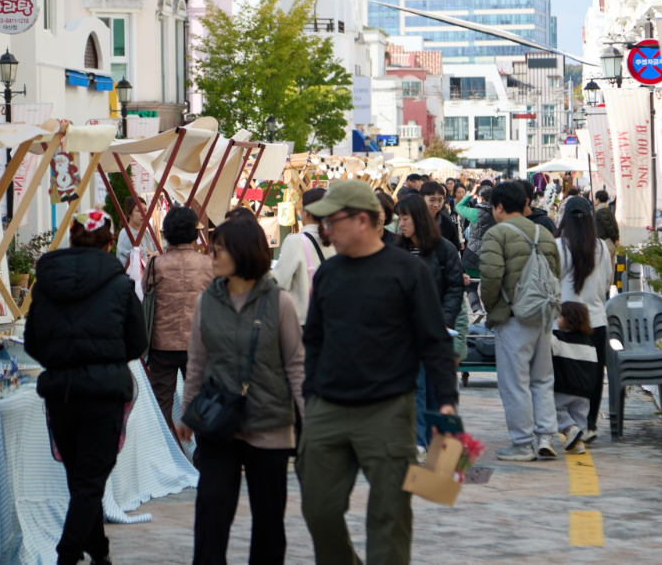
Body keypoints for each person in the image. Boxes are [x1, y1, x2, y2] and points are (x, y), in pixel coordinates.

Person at [298, 180, 457, 565]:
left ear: (363, 220)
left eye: (332, 222)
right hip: (328, 408)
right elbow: (314, 338)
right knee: (319, 509)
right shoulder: (328, 272)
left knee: (390, 515)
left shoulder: (407, 270)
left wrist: (447, 405)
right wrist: (311, 393)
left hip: (388, 411)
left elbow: (435, 342)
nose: (326, 231)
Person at [25, 210, 147, 565]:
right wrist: (107, 358)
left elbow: (32, 341)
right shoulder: (121, 285)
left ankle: (99, 552)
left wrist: (62, 359)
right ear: (109, 244)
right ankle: (67, 555)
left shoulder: (45, 284)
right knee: (90, 481)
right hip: (103, 394)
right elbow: (138, 342)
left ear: (73, 239)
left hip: (60, 392)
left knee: (81, 479)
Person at [180, 218, 304, 564]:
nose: (213, 255)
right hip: (218, 423)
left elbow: (296, 367)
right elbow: (196, 363)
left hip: (270, 426)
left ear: (243, 252)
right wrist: (188, 411)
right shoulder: (207, 301)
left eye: (220, 249)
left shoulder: (279, 302)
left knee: (269, 522)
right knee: (211, 512)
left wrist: (310, 421)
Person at [479, 182, 561, 462]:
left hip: (513, 317)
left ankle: (523, 444)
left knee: (514, 383)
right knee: (543, 380)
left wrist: (492, 308)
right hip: (543, 317)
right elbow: (556, 274)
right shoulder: (544, 233)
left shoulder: (496, 234)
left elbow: (491, 277)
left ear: (500, 206)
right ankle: (546, 437)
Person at [394, 195, 464, 454]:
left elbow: (454, 288)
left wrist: (445, 321)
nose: (401, 223)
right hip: (406, 331)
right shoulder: (396, 250)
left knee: (437, 389)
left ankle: (438, 443)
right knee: (416, 386)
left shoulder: (444, 249)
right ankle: (419, 441)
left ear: (419, 219)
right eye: (399, 218)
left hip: (436, 330)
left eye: (405, 218)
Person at [143, 205, 213, 431]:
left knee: (161, 401)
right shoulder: (207, 264)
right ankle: (202, 448)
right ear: (194, 233)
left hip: (162, 344)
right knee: (200, 401)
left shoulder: (156, 264)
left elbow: (146, 291)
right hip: (198, 344)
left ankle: (166, 448)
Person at [555, 196, 613, 443]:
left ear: (565, 219)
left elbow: (551, 282)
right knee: (593, 375)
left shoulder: (558, 246)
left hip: (564, 323)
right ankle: (589, 425)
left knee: (564, 376)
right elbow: (607, 283)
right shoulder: (601, 248)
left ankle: (569, 424)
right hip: (596, 321)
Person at [273, 188, 337, 325]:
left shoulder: (295, 241)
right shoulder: (338, 240)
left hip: (302, 323)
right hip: (331, 320)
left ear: (306, 212)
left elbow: (279, 284)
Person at [552, 302, 599, 455]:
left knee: (556, 410)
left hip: (564, 386)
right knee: (580, 415)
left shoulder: (558, 338)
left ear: (568, 319)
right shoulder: (590, 343)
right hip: (584, 391)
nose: (557, 319)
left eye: (560, 316)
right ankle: (579, 440)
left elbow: (547, 344)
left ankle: (569, 429)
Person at [457, 185, 495, 311]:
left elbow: (459, 206)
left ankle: (476, 308)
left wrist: (469, 194)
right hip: (492, 254)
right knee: (489, 286)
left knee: (471, 285)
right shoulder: (498, 214)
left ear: (479, 198)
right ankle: (490, 309)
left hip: (474, 254)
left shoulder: (475, 213)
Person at [116, 196, 159, 266]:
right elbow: (144, 259)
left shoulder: (145, 231)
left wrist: (153, 253)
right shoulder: (127, 234)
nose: (143, 213)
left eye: (145, 210)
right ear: (129, 214)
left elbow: (159, 251)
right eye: (139, 211)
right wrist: (154, 253)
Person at [419, 181, 461, 251]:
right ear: (421, 198)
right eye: (432, 200)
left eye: (440, 200)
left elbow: (454, 250)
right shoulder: (412, 221)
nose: (436, 205)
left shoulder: (448, 225)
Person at [594, 190, 619, 272]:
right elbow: (615, 225)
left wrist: (615, 239)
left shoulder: (600, 212)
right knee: (610, 268)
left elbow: (608, 226)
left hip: (605, 242)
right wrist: (616, 239)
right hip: (611, 242)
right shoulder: (608, 210)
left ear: (598, 199)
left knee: (603, 269)